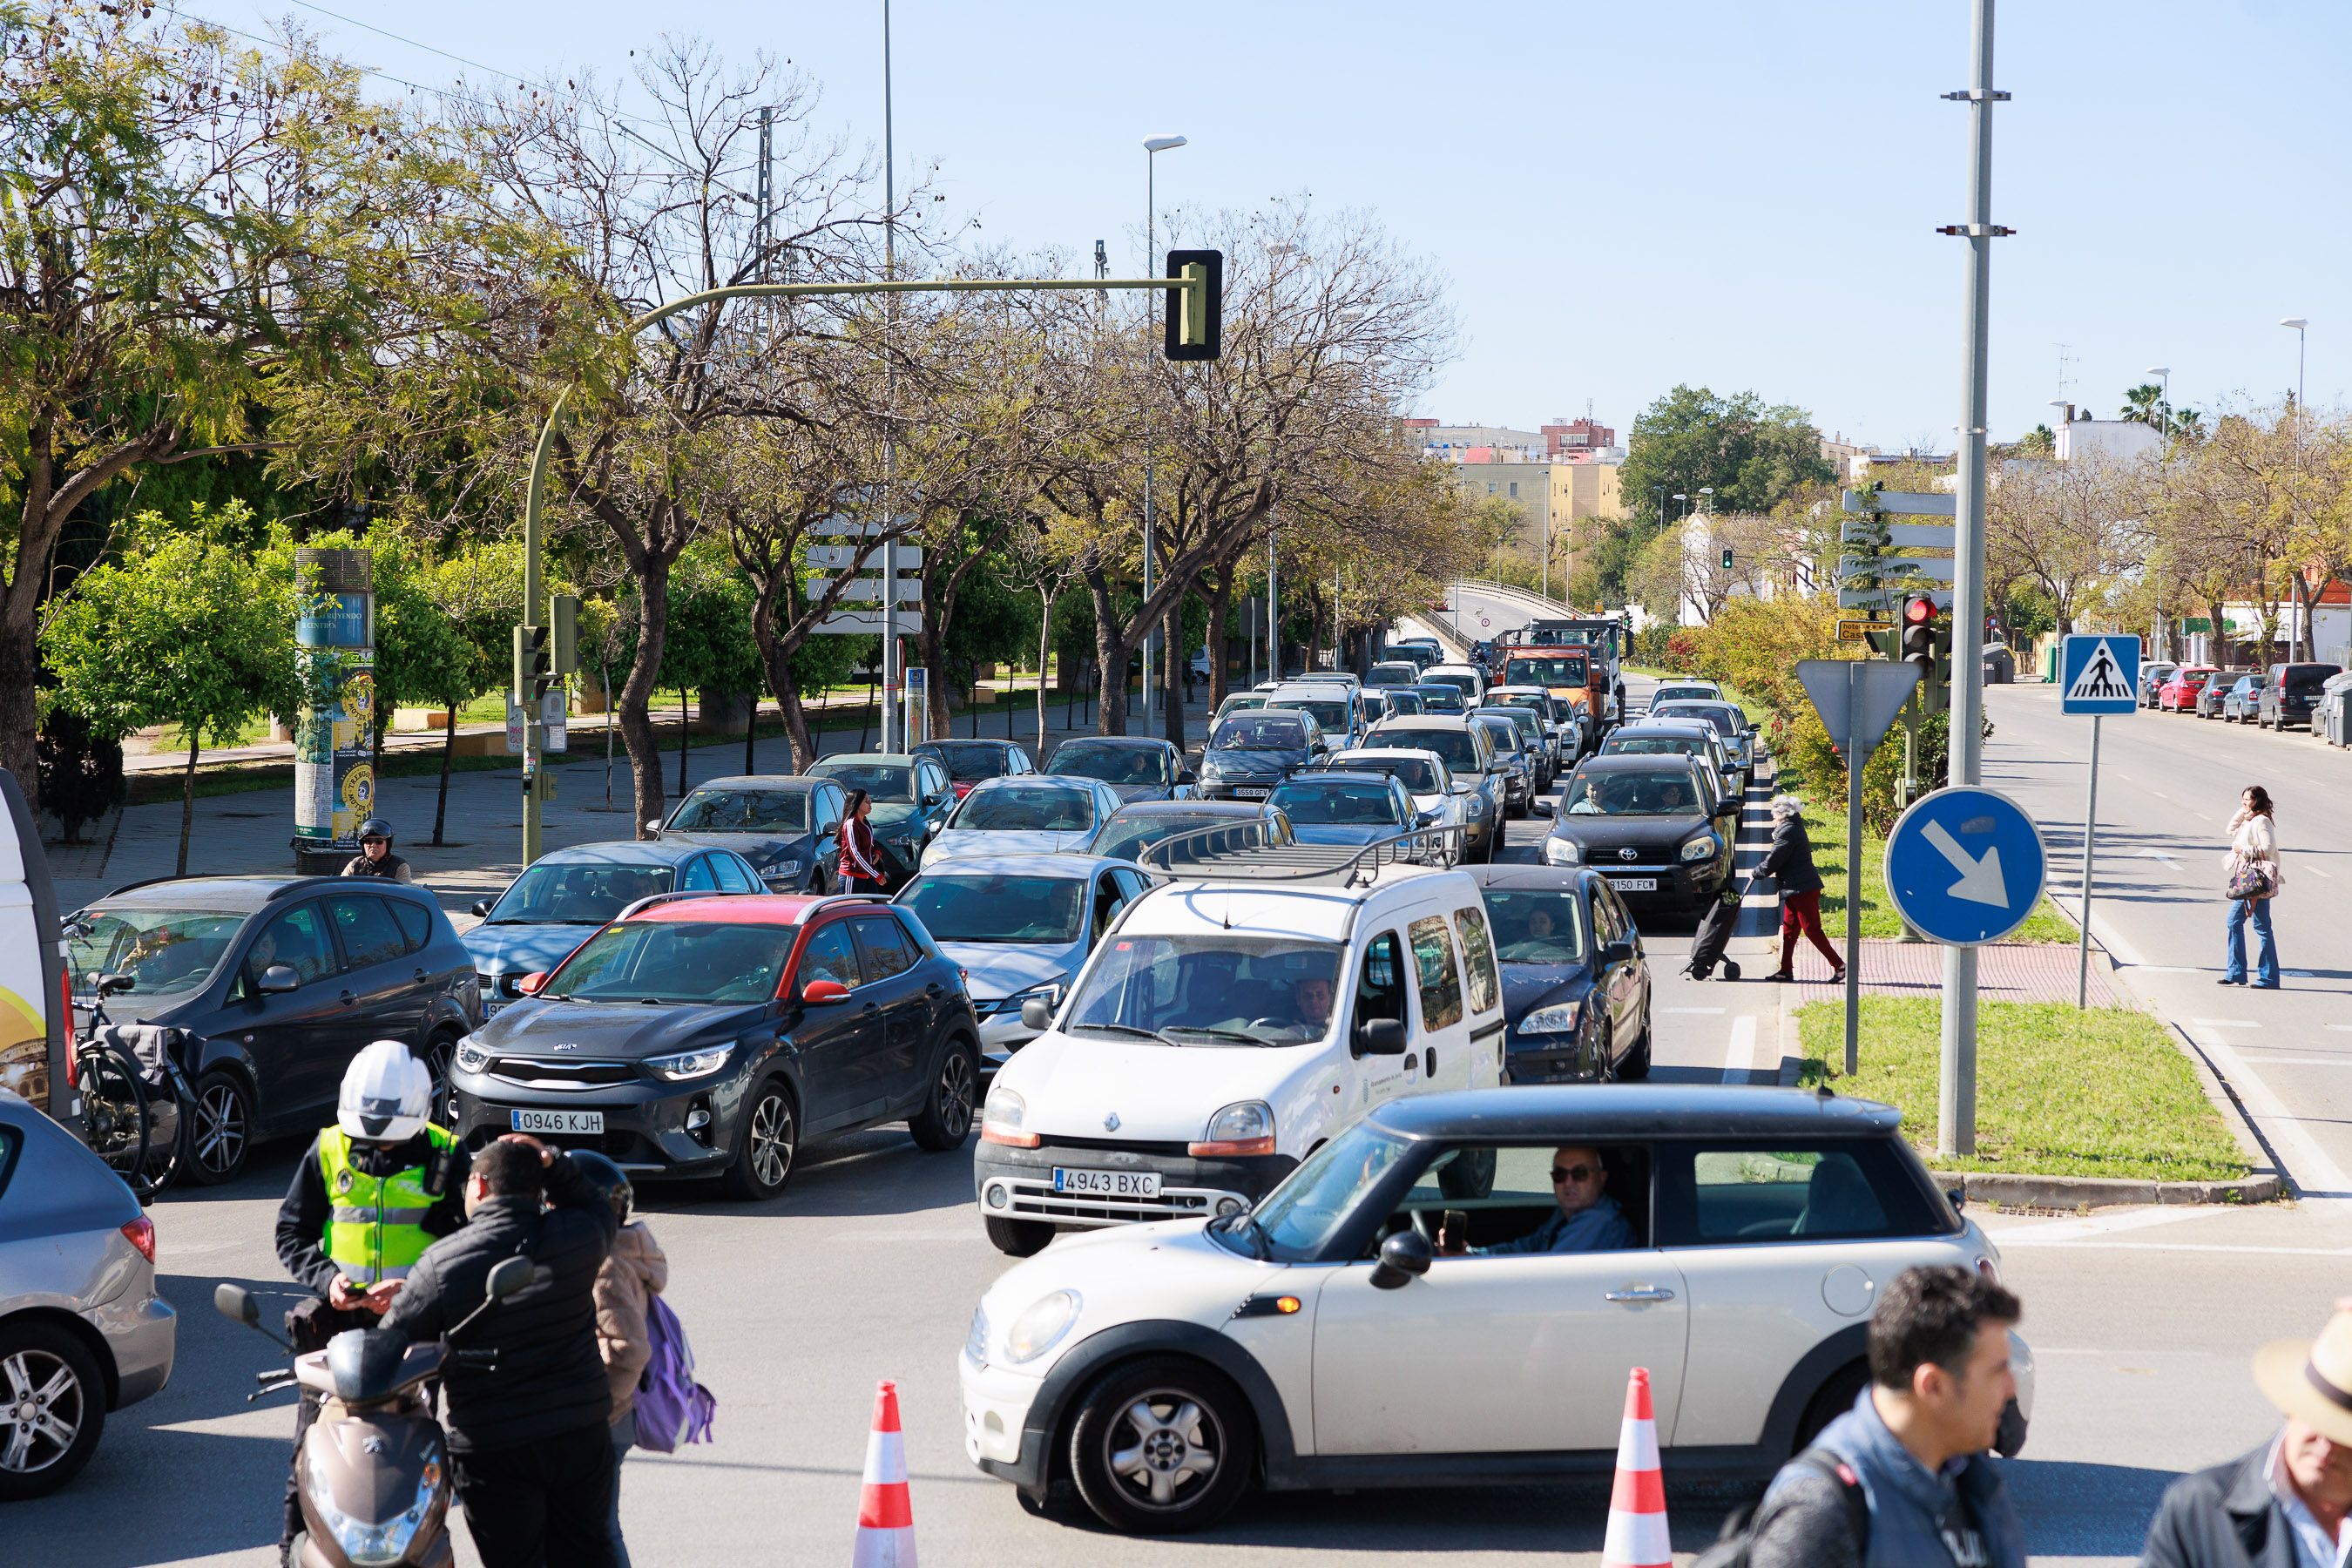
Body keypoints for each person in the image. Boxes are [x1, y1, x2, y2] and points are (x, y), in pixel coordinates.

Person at [380, 1134, 620, 1568]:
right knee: (587, 1553)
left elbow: (388, 1345)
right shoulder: (577, 1236)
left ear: (480, 1185)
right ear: (538, 1189)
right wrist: (555, 1162)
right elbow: (599, 1208)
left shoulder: (441, 1264)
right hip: (580, 1434)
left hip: (494, 1448)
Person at [273, 1041, 467, 1565]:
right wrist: (329, 1280)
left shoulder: (448, 1156)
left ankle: (420, 1546)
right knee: (311, 1454)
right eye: (367, 1140)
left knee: (422, 1450)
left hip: (419, 1329)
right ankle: (293, 1552)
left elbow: (465, 1244)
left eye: (391, 1144)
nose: (377, 1151)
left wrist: (414, 1290)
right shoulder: (328, 1149)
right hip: (341, 1332)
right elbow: (292, 1233)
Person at [1747, 1264, 2026, 1568]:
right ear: (1933, 1386)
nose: (2011, 1389)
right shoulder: (1821, 1513)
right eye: (1997, 1371)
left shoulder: (1972, 1477)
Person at [2138, 1304, 2352, 1567]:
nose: (2325, 1443)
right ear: (2291, 1407)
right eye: (2316, 1418)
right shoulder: (2200, 1511)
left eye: (2342, 1432)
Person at [581, 1152, 666, 1568]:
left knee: (599, 1527)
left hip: (608, 1415)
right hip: (614, 1413)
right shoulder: (620, 1250)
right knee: (595, 1525)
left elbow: (628, 1348)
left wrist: (602, 1411)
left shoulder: (606, 1264)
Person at [1436, 1145, 1635, 1256]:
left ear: (1601, 1179)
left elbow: (1545, 1268)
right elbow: (1526, 1247)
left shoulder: (1599, 1222)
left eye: (1579, 1174)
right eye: (1559, 1174)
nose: (1568, 1182)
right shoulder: (1567, 1215)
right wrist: (1470, 1254)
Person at [1760, 795, 1844, 984]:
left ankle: (1839, 966)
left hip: (1802, 888)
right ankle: (1785, 970)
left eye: (1774, 815)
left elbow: (1776, 857)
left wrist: (1759, 871)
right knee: (1789, 930)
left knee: (1812, 930)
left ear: (1781, 814)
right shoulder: (1793, 827)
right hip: (1795, 887)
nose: (1773, 819)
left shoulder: (1788, 831)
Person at [2221, 785, 2282, 990]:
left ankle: (2266, 977)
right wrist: (2244, 809)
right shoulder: (2250, 819)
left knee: (2254, 926)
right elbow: (2230, 829)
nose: (2243, 802)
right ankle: (2239, 972)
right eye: (2243, 799)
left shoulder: (2262, 821)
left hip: (2256, 881)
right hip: (2248, 881)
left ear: (2257, 800)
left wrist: (2243, 849)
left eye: (2247, 799)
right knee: (2253, 925)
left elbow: (2268, 848)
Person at [837, 788, 885, 894]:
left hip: (867, 875)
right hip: (852, 876)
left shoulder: (866, 823)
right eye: (866, 801)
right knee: (851, 909)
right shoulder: (851, 824)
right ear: (857, 804)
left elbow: (871, 845)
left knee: (873, 908)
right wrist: (875, 874)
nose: (870, 803)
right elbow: (856, 853)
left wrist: (876, 852)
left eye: (870, 800)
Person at [340, 818, 413, 882]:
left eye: (379, 841)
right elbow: (342, 887)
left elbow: (404, 893)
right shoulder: (354, 865)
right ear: (363, 844)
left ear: (388, 844)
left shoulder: (400, 866)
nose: (373, 845)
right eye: (369, 841)